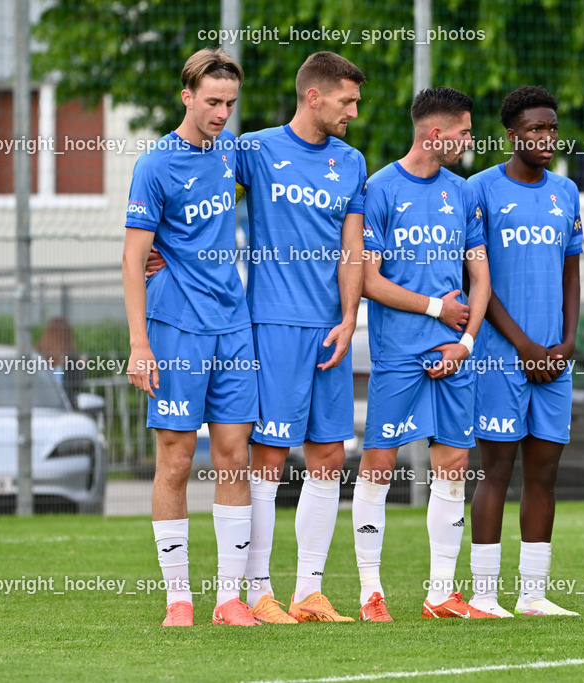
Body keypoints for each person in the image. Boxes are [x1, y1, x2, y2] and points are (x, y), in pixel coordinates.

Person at [123, 47, 259, 627]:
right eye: (212, 102)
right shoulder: (155, 164)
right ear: (187, 97)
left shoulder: (233, 149)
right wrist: (138, 345)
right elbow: (133, 260)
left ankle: (230, 598)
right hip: (174, 328)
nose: (222, 113)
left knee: (235, 458)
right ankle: (179, 597)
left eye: (230, 102)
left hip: (234, 326)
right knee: (176, 461)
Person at [235, 52, 367, 623]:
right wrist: (160, 247)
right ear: (314, 97)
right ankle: (257, 591)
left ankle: (308, 591)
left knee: (329, 455)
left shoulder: (352, 161)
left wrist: (348, 317)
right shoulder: (256, 149)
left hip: (330, 330)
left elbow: (352, 249)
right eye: (347, 101)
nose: (353, 113)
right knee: (266, 455)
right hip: (273, 325)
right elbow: (199, 196)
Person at [351, 86, 492, 621]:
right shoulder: (381, 189)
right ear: (436, 133)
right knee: (379, 466)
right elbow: (369, 281)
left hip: (455, 354)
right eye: (463, 131)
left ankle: (440, 593)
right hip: (398, 355)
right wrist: (437, 310)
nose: (468, 140)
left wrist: (466, 342)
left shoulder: (463, 193)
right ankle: (370, 592)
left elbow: (479, 275)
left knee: (453, 465)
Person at [466, 86, 582, 617]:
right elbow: (477, 283)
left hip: (553, 358)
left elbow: (571, 270)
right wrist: (524, 345)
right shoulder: (479, 190)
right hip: (501, 354)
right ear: (512, 134)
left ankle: (533, 594)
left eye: (552, 128)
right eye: (535, 129)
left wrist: (567, 340)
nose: (546, 137)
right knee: (495, 472)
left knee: (544, 474)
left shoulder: (566, 192)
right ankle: (485, 595)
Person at [35, 316, 86, 405]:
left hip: (41, 406)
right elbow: (77, 386)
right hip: (63, 409)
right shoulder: (71, 358)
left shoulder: (38, 354)